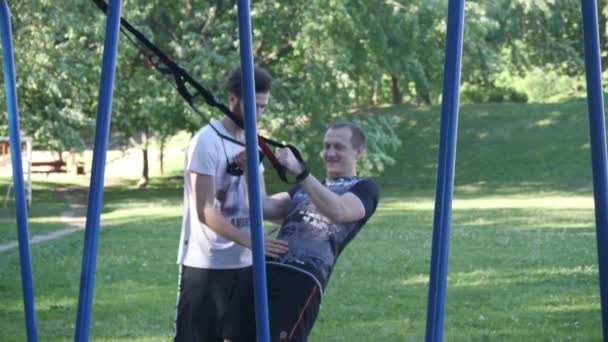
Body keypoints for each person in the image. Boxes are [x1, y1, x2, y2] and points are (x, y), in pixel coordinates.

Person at [174, 65, 289, 342]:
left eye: (263, 107)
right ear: (232, 99)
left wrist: (301, 203)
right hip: (207, 265)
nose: (259, 114)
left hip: (245, 264)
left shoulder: (252, 141)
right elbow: (205, 210)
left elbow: (259, 204)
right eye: (254, 107)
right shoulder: (206, 141)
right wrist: (253, 241)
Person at [236, 122, 380, 341]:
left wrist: (300, 172)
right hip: (265, 267)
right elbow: (262, 207)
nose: (330, 153)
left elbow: (338, 211)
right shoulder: (306, 188)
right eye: (327, 146)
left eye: (338, 147)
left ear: (358, 152)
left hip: (301, 277)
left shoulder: (364, 187)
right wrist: (251, 169)